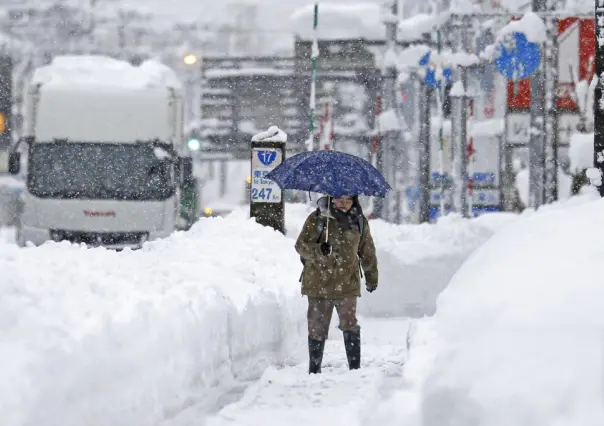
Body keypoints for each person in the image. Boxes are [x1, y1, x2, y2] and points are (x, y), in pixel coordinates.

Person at [295, 194, 378, 374]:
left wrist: (372, 278)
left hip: (347, 284)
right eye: (340, 200)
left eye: (348, 201)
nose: (344, 204)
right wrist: (318, 250)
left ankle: (355, 369)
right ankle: (314, 370)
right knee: (316, 328)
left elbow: (367, 251)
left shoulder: (359, 221)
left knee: (350, 324)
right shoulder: (317, 219)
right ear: (332, 199)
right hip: (318, 284)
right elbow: (300, 246)